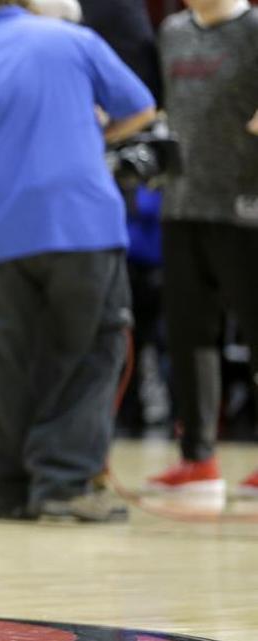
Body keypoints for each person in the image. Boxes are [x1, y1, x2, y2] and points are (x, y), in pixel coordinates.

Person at [0, 0, 157, 521]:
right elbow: (141, 109)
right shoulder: (69, 39)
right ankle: (64, 486)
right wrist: (84, 138)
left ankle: (3, 491)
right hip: (81, 226)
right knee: (88, 353)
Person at [146, 0, 258, 496]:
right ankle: (197, 459)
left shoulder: (254, 28)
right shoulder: (171, 31)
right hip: (182, 203)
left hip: (246, 207)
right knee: (189, 334)